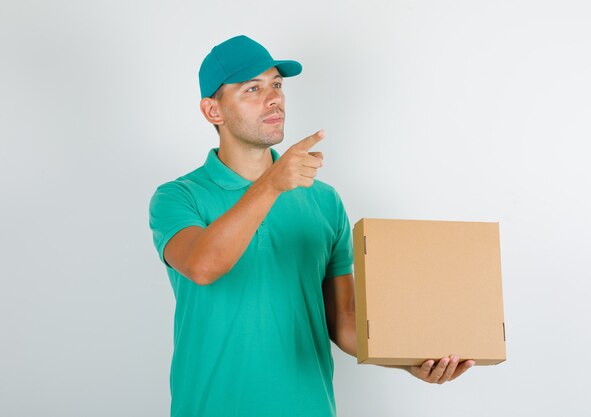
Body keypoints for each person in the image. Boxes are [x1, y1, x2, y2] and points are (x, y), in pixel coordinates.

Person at [149, 34, 474, 417]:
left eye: (276, 85)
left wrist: (410, 359)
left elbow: (345, 321)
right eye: (252, 89)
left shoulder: (323, 200)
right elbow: (203, 266)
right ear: (213, 111)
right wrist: (271, 184)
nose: (273, 98)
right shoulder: (177, 197)